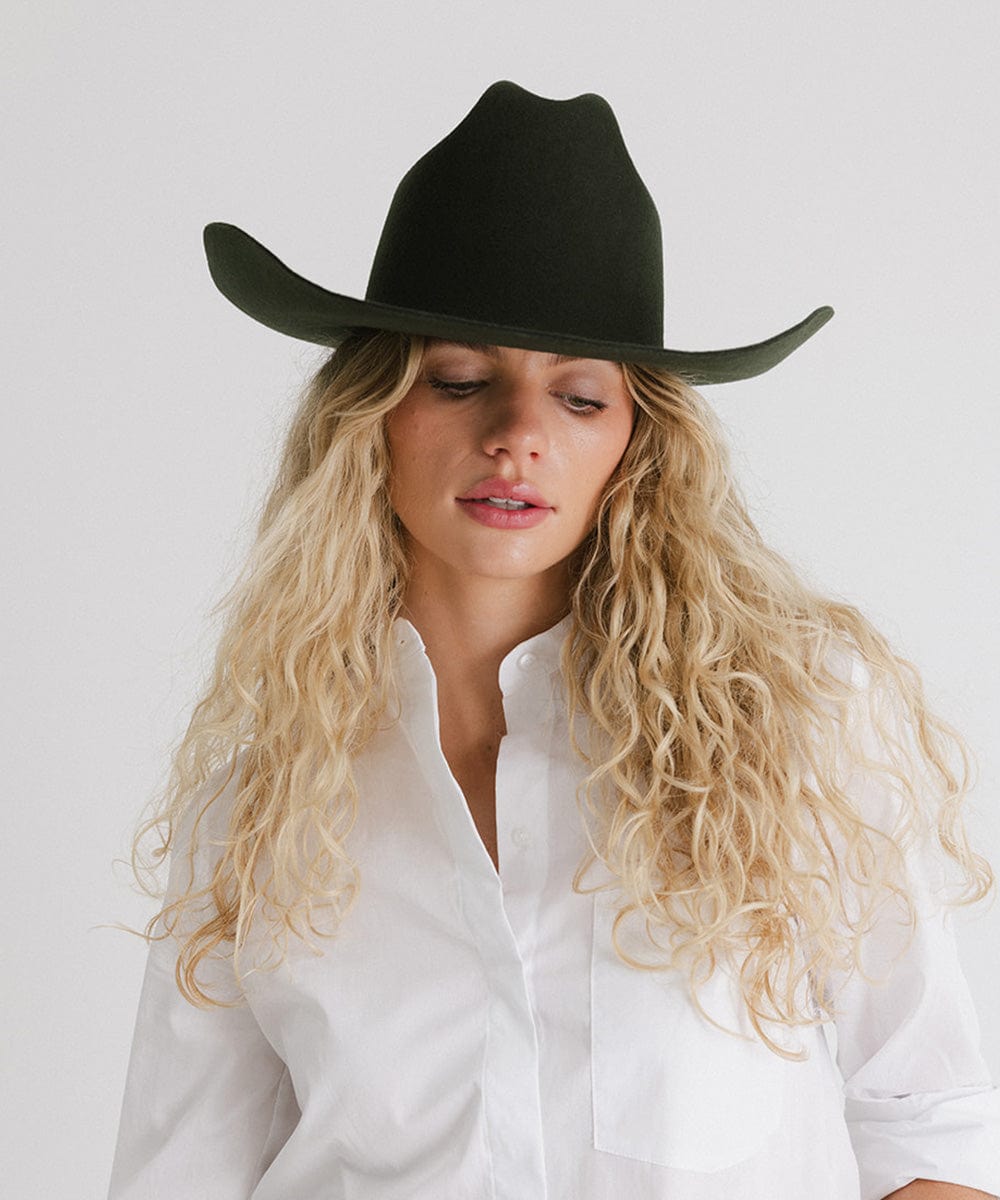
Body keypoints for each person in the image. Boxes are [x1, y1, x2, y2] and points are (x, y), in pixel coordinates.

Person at [107, 81, 1000, 1199]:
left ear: (635, 444)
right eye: (461, 381)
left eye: (579, 399)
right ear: (368, 414)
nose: (518, 436)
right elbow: (178, 1174)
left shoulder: (800, 721)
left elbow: (929, 1130)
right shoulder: (263, 801)